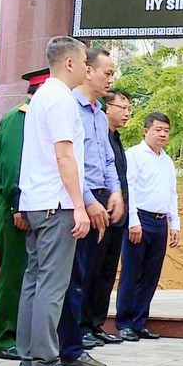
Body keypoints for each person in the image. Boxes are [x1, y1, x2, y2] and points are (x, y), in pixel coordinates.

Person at [16, 36, 90, 366]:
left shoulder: (42, 95)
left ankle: (29, 358)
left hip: (36, 201)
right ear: (70, 63)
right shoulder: (60, 99)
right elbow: (64, 155)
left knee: (34, 281)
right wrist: (79, 205)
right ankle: (45, 363)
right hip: (57, 203)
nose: (88, 68)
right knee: (51, 285)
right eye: (85, 62)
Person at [57, 47, 125, 366]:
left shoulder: (98, 113)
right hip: (78, 202)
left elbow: (107, 160)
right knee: (74, 277)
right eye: (106, 72)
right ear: (87, 71)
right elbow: (70, 163)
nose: (110, 79)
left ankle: (82, 335)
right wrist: (88, 200)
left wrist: (115, 192)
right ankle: (68, 347)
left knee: (92, 274)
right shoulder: (70, 107)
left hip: (100, 200)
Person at [0, 67, 50, 360]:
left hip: (28, 205)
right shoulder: (20, 119)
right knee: (15, 274)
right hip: (16, 206)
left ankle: (21, 336)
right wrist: (18, 206)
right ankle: (4, 339)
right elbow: (13, 165)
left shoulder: (36, 119)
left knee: (27, 272)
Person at [116, 112, 179, 342]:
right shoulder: (133, 155)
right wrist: (132, 221)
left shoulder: (167, 160)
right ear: (146, 131)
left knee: (151, 275)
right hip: (139, 219)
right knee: (132, 272)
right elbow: (128, 189)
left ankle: (140, 321)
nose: (162, 134)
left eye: (166, 130)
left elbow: (172, 193)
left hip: (160, 221)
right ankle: (124, 323)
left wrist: (175, 224)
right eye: (158, 129)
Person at [80, 89, 132, 344]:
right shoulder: (94, 130)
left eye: (128, 108)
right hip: (95, 207)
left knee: (106, 272)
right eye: (122, 107)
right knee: (89, 270)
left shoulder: (116, 139)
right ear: (107, 108)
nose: (126, 112)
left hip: (116, 214)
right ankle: (81, 326)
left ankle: (96, 322)